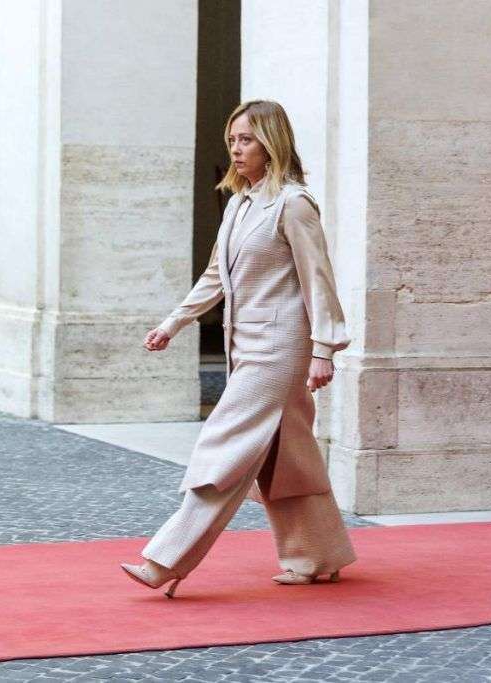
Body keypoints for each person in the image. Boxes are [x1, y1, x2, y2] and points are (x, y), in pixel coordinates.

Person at [120, 100, 357, 598]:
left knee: (223, 447)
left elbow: (319, 279)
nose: (236, 147)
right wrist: (174, 323)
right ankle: (317, 555)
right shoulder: (239, 204)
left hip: (280, 349)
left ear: (271, 143)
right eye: (232, 140)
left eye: (245, 139)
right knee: (289, 455)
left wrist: (324, 349)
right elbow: (215, 277)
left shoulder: (293, 204)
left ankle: (166, 558)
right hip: (244, 345)